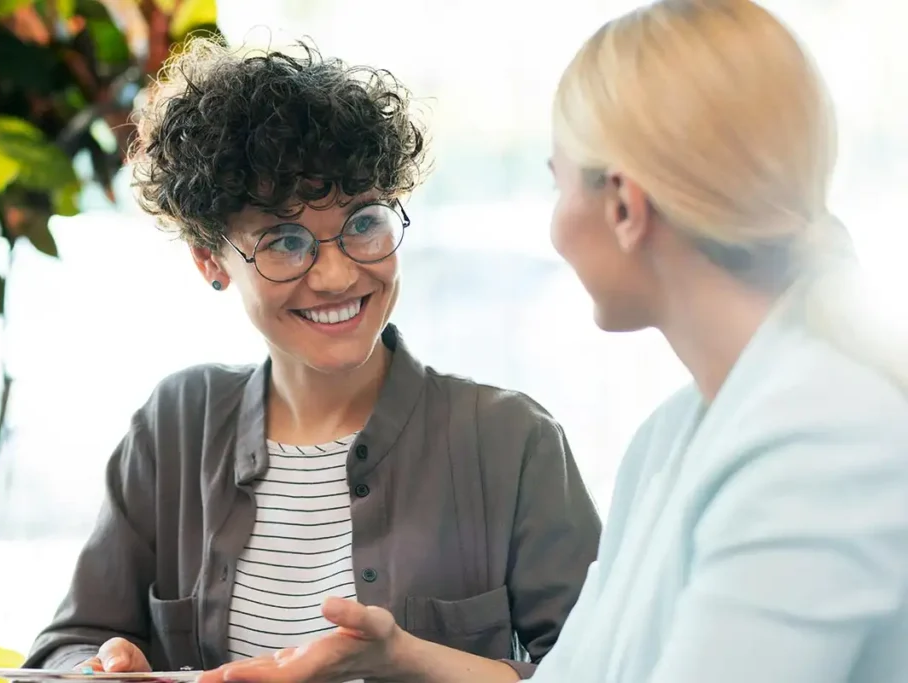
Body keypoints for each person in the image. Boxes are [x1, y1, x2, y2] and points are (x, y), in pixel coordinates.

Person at [199, 1, 908, 682]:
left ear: (624, 207)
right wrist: (394, 655)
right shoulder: (672, 436)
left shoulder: (822, 442)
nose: (555, 223)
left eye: (558, 182)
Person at [22, 38, 602, 680]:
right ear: (210, 260)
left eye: (362, 223)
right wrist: (97, 667)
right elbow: (68, 643)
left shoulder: (510, 441)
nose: (334, 276)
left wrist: (412, 659)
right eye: (284, 240)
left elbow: (613, 669)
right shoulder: (175, 426)